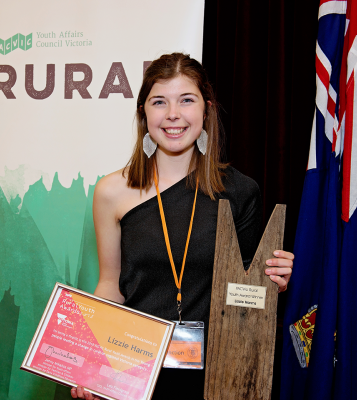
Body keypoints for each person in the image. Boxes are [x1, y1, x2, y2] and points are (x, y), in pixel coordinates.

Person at [71, 53, 294, 400]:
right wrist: (92, 363)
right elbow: (109, 286)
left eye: (186, 100)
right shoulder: (111, 192)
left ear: (205, 110)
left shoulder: (239, 192)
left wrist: (275, 280)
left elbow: (247, 295)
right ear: (144, 112)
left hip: (219, 376)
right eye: (160, 101)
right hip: (134, 374)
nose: (173, 114)